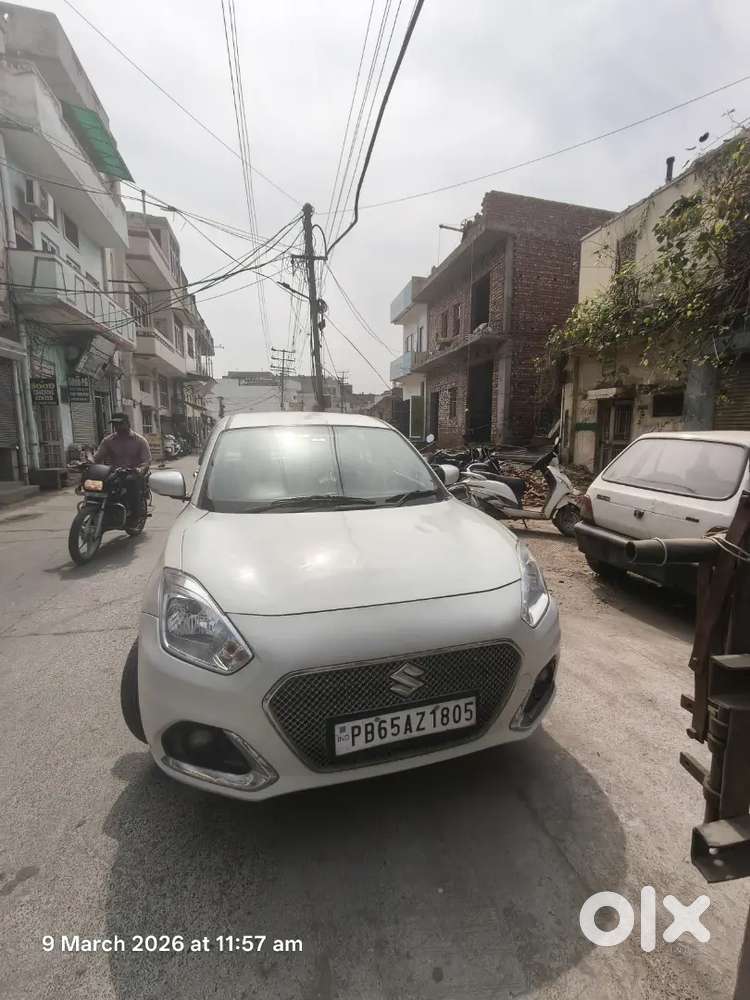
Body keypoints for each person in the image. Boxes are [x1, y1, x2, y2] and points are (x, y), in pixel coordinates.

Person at [94, 413, 151, 521]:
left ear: (128, 424)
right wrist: (86, 462)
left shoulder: (140, 441)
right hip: (113, 473)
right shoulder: (108, 441)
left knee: (131, 481)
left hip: (132, 473)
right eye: (115, 424)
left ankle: (135, 515)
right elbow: (97, 458)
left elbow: (147, 460)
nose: (118, 427)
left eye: (120, 424)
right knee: (97, 482)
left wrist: (140, 469)